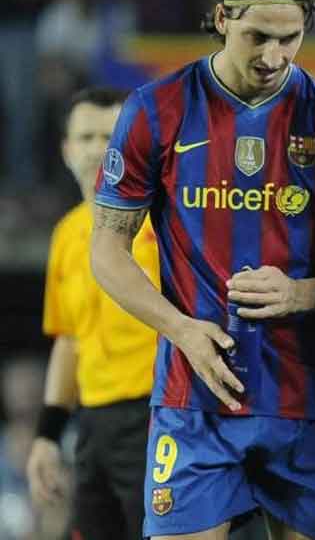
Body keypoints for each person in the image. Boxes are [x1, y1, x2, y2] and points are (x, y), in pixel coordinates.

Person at [89, 0, 315, 540]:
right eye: (257, 36)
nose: (273, 56)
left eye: (289, 39)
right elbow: (106, 249)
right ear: (221, 17)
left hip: (307, 405)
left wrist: (302, 294)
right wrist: (181, 328)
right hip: (194, 402)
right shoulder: (157, 109)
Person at [26, 87, 159, 540]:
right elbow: (68, 338)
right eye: (86, 137)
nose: (98, 149)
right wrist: (47, 435)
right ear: (67, 150)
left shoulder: (161, 224)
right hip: (93, 424)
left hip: (155, 416)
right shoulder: (66, 235)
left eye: (110, 136)